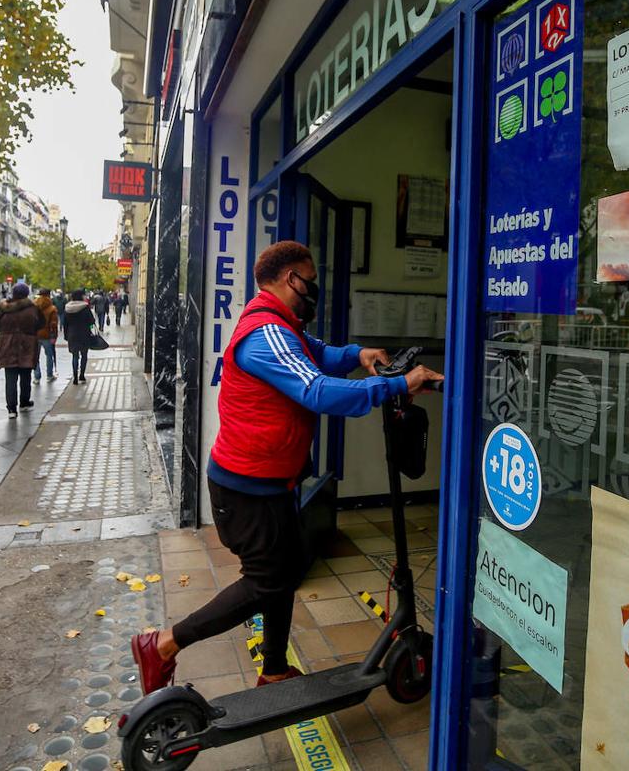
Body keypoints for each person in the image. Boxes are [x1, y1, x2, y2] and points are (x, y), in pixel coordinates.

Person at [130, 241, 442, 694]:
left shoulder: (282, 326)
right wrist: (396, 385)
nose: (313, 289)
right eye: (310, 280)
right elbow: (317, 391)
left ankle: (274, 668)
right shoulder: (265, 334)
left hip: (270, 483)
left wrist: (359, 355)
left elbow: (320, 355)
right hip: (245, 489)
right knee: (265, 582)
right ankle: (162, 644)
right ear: (290, 277)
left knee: (285, 571)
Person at [0, 282, 44, 419]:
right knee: (25, 375)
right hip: (27, 345)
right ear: (26, 294)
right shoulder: (32, 308)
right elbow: (40, 323)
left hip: (7, 345)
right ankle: (24, 402)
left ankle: (11, 409)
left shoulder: (4, 308)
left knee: (10, 378)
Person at [63, 288, 95, 384]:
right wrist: (91, 329)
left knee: (75, 356)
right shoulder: (85, 307)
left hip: (72, 334)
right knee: (84, 355)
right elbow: (91, 321)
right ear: (81, 296)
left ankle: (75, 377)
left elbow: (65, 323)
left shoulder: (68, 308)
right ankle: (82, 375)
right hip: (84, 333)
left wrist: (66, 335)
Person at [33, 288, 59, 383]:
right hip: (47, 335)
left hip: (35, 335)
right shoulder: (51, 308)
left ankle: (37, 377)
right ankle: (49, 375)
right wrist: (54, 336)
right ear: (49, 295)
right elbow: (53, 324)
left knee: (35, 356)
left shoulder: (34, 306)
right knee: (49, 355)